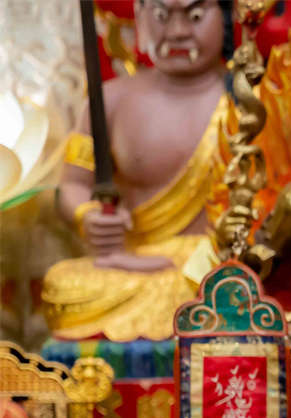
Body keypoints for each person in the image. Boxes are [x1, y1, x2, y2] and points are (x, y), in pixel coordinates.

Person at [42, 0, 231, 341]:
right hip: (135, 264)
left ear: (227, 16)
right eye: (161, 16)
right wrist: (88, 215)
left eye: (195, 16)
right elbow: (72, 186)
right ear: (140, 18)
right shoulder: (110, 100)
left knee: (228, 286)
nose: (177, 32)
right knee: (61, 285)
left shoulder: (251, 99)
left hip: (223, 265)